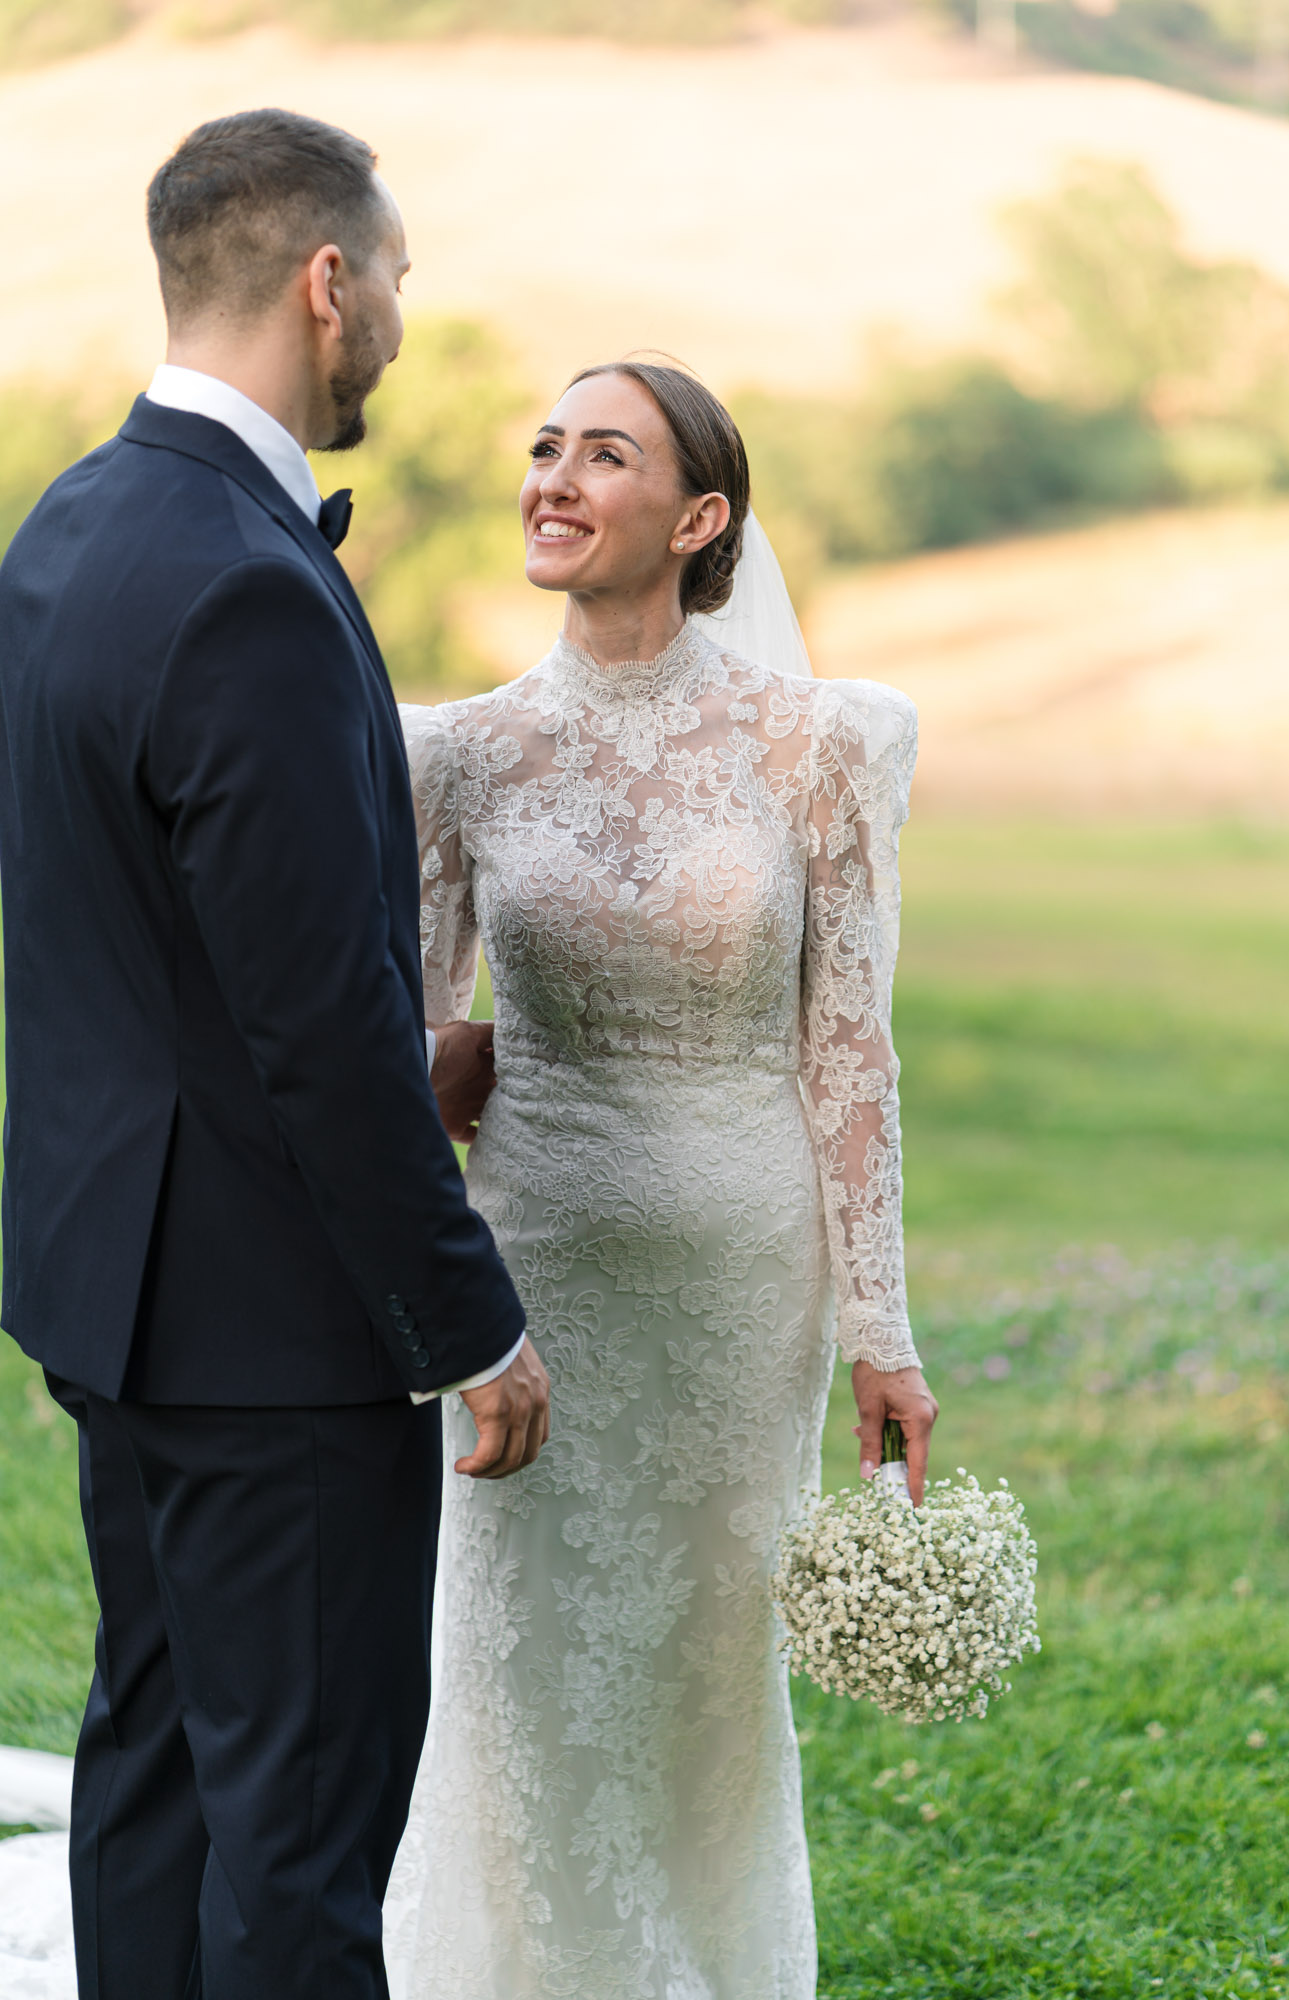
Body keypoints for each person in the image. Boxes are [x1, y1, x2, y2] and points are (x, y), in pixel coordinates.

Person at [0, 109, 549, 2000]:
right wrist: (465, 1321)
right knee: (302, 1850)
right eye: (392, 276)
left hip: (110, 1294)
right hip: (271, 1337)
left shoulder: (68, 523)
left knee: (152, 1774)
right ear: (328, 282)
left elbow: (140, 932)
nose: (397, 313)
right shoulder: (247, 578)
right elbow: (312, 1025)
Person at [386, 361, 939, 1999]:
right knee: (522, 1660)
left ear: (699, 519)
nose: (552, 477)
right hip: (533, 1275)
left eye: (602, 454)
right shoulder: (458, 754)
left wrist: (880, 1328)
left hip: (737, 1288)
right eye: (544, 447)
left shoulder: (823, 745)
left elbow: (850, 1054)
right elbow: (398, 1050)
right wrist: (450, 1063)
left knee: (708, 1672)